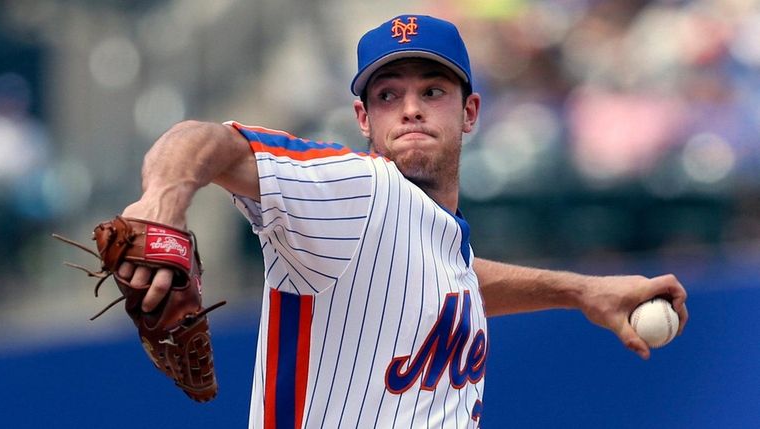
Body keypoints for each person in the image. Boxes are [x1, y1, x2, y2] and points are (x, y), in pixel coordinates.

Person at [116, 14, 688, 428]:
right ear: (363, 118)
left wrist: (583, 291)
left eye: (432, 90)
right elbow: (206, 140)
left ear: (469, 112)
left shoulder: (431, 237)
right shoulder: (358, 188)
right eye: (389, 94)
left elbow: (446, 280)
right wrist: (163, 199)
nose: (411, 107)